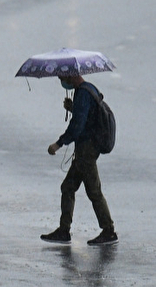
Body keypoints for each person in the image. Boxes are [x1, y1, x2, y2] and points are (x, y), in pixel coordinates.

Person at [41, 75, 117, 246]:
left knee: (94, 191)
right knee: (68, 187)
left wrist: (58, 144)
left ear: (71, 75)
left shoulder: (82, 93)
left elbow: (78, 125)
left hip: (87, 150)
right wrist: (73, 108)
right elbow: (87, 117)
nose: (61, 80)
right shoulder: (89, 89)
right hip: (88, 148)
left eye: (62, 76)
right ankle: (64, 230)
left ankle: (108, 230)